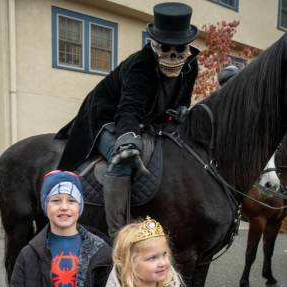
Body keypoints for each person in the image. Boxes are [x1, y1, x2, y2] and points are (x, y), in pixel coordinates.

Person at [56, 2, 200, 239]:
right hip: (106, 117)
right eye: (166, 48)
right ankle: (117, 236)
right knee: (122, 159)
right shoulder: (139, 66)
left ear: (187, 47)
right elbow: (128, 109)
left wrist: (181, 112)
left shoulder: (190, 65)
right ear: (155, 44)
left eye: (179, 49)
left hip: (148, 123)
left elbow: (182, 102)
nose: (173, 55)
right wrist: (127, 142)